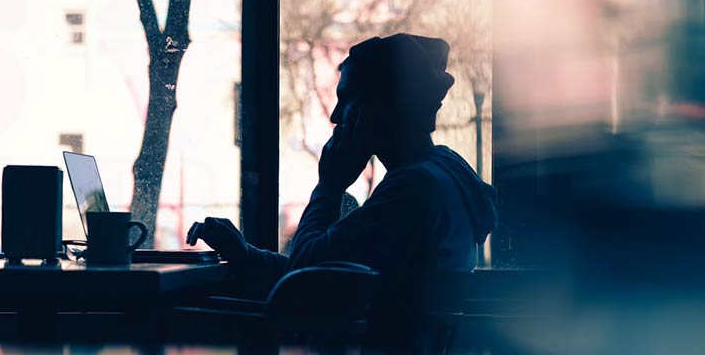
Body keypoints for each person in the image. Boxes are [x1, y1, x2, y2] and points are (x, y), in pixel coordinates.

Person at [187, 33, 498, 297]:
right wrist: (245, 254)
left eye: (347, 98)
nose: (336, 116)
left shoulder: (412, 189)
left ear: (383, 105)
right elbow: (325, 267)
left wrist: (329, 187)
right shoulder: (442, 171)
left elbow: (303, 276)